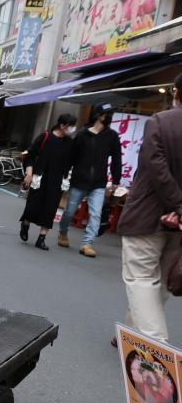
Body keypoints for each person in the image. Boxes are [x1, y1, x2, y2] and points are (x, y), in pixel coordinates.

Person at [117, 73, 182, 343]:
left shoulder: (161, 121)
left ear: (176, 91)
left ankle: (156, 348)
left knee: (142, 278)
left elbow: (156, 167)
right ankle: (131, 331)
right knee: (161, 279)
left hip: (149, 214)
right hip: (178, 225)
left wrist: (178, 205)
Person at [58, 103, 122, 257]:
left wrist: (115, 180)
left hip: (99, 183)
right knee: (69, 212)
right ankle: (63, 232)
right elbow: (72, 156)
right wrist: (65, 172)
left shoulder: (112, 136)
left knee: (96, 214)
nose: (110, 117)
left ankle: (87, 243)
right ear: (99, 116)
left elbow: (116, 159)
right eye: (107, 114)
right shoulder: (82, 135)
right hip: (79, 180)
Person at [19, 114, 78, 250]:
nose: (73, 129)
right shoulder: (45, 137)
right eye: (71, 125)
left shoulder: (70, 143)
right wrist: (29, 173)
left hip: (57, 180)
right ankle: (25, 224)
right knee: (32, 206)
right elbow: (31, 155)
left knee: (50, 210)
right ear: (62, 125)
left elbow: (73, 161)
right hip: (40, 178)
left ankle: (41, 239)